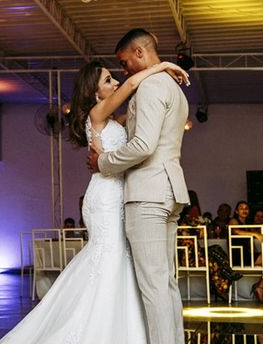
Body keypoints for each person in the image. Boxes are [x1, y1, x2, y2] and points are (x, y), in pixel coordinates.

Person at [0, 46, 189, 344]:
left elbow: (135, 126)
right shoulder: (97, 113)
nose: (117, 82)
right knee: (109, 255)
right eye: (108, 80)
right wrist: (162, 66)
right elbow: (133, 84)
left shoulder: (110, 121)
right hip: (106, 196)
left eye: (113, 78)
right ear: (95, 93)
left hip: (116, 191)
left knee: (119, 260)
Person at [89, 29, 191, 344]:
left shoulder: (149, 87)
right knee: (167, 283)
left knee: (154, 286)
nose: (124, 71)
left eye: (123, 62)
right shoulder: (175, 89)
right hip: (171, 190)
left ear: (138, 52)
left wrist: (103, 162)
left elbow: (144, 145)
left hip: (147, 194)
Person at [228, 201, 263, 302]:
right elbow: (236, 231)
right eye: (241, 208)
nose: (244, 210)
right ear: (236, 211)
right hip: (239, 255)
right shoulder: (234, 220)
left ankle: (259, 286)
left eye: (246, 208)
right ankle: (260, 287)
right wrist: (255, 234)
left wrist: (258, 233)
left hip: (246, 254)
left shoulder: (247, 224)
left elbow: (261, 232)